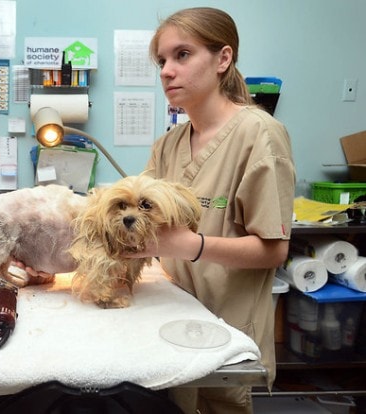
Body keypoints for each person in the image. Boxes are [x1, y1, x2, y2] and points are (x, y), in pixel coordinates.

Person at [132, 7, 295, 414]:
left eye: (182, 55)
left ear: (223, 59)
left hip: (227, 329)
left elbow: (274, 251)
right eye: (162, 61)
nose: (167, 71)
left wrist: (193, 245)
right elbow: (135, 212)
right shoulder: (168, 145)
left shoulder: (259, 135)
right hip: (172, 319)